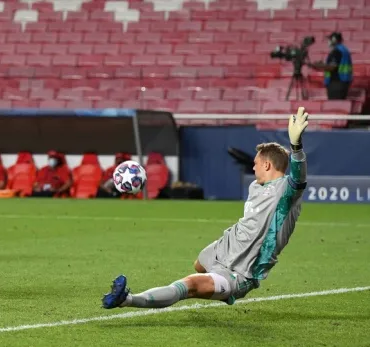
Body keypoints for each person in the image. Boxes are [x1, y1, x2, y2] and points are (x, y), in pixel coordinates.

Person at [102, 107, 309, 310]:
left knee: (189, 285)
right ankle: (209, 280)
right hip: (227, 244)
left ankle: (127, 299)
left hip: (240, 271)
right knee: (198, 265)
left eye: (255, 163)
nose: (252, 167)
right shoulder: (256, 186)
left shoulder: (286, 192)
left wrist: (296, 145)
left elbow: (298, 176)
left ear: (266, 165)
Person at [309, 32, 353, 100]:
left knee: (335, 105)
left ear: (334, 40)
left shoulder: (337, 51)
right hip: (343, 82)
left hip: (336, 83)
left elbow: (332, 67)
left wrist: (319, 66)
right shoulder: (344, 50)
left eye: (329, 39)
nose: (328, 42)